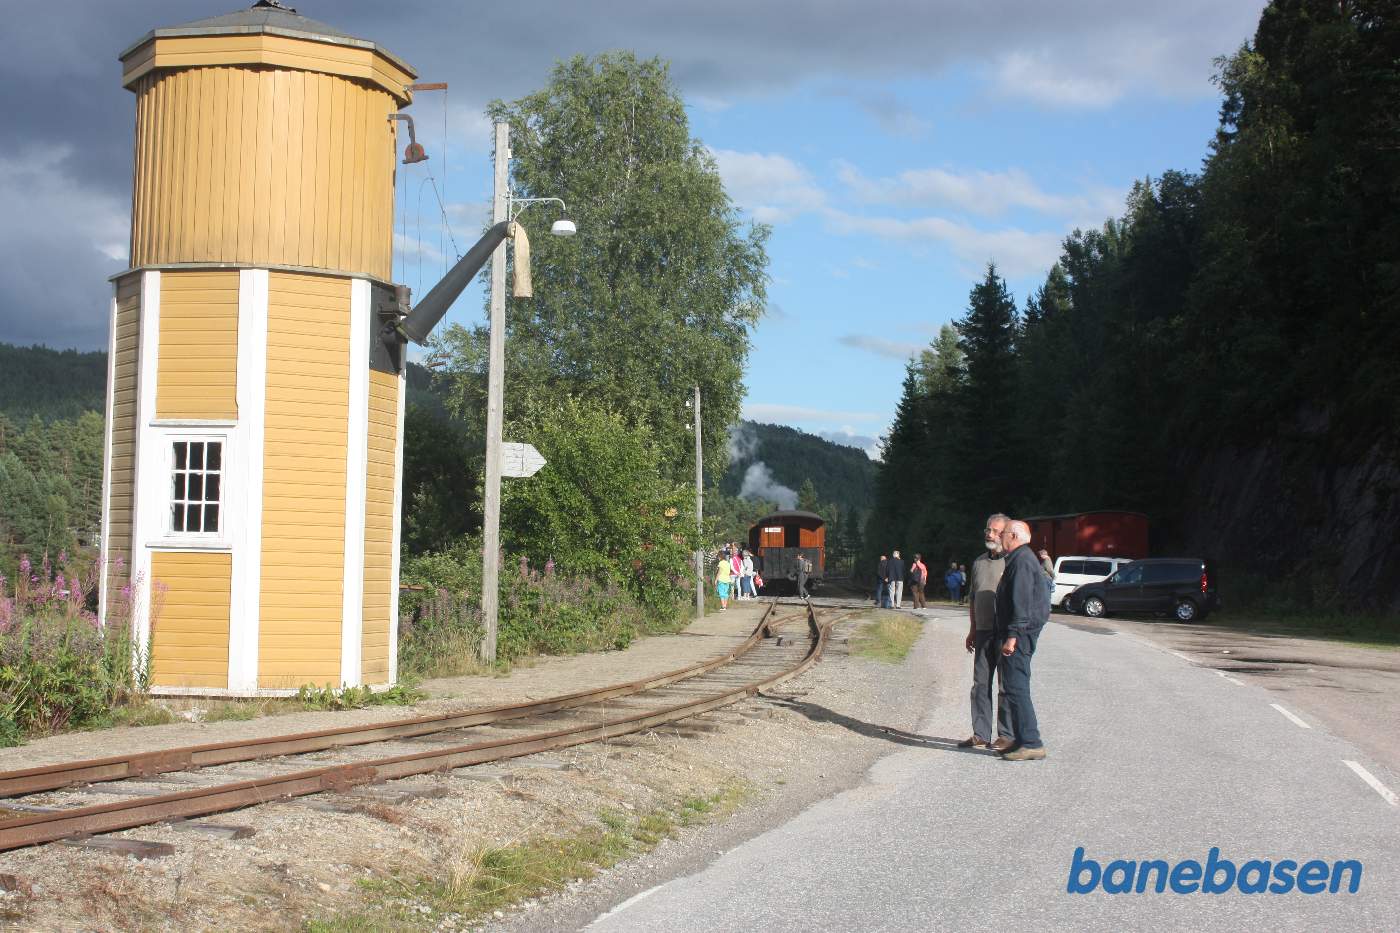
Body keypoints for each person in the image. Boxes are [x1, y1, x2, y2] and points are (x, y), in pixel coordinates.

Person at [995, 519, 1051, 761]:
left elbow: (1022, 601)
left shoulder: (1022, 560)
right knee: (1013, 685)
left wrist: (1013, 636)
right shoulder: (1020, 559)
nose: (1000, 537)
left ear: (1014, 536)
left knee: (1017, 687)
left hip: (1021, 634)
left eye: (1004, 533)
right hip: (1021, 632)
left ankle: (1031, 742)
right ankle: (1021, 739)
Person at [960, 514, 1014, 751]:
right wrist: (972, 629)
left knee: (1005, 685)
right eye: (987, 529)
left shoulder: (1014, 562)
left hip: (1003, 632)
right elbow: (973, 598)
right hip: (982, 631)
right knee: (980, 684)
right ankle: (981, 733)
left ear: (1004, 535)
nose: (988, 534)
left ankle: (1006, 735)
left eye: (994, 530)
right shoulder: (979, 562)